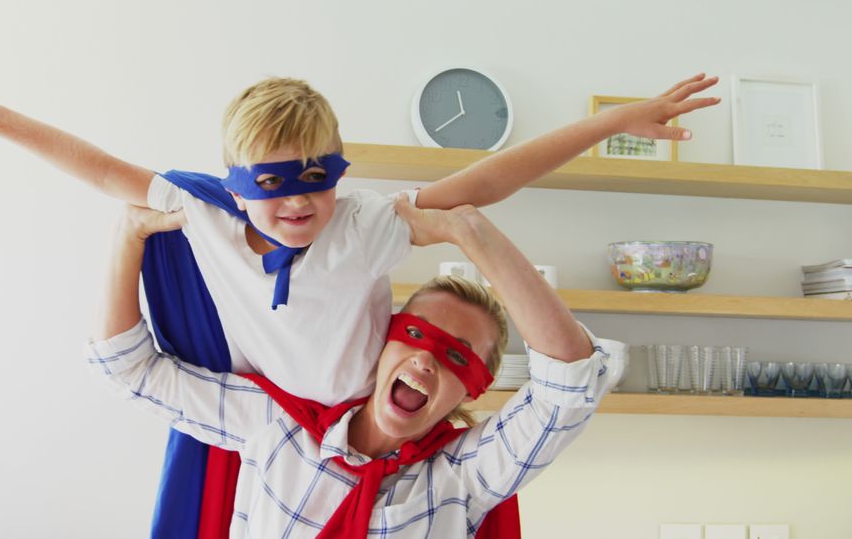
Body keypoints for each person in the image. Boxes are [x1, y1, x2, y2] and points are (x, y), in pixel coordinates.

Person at [0, 74, 716, 536]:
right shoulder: (215, 239)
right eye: (273, 184)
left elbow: (489, 183)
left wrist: (611, 125)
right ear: (235, 187)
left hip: (339, 425)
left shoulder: (365, 231)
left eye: (317, 179)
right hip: (286, 420)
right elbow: (112, 182)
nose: (299, 203)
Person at [87, 196, 619, 538]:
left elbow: (568, 384)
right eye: (415, 335)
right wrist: (128, 236)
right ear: (380, 344)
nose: (425, 359)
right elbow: (130, 369)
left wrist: (472, 235)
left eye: (458, 356)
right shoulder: (278, 426)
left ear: (471, 392)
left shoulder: (464, 477)